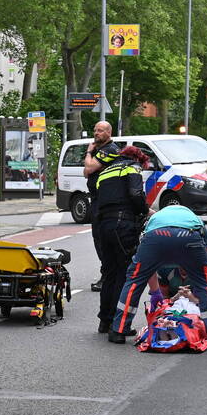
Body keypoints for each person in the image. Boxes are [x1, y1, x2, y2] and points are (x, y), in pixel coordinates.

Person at [108, 203, 207, 346]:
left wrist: (155, 292)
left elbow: (145, 265)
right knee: (205, 284)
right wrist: (205, 272)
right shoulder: (193, 217)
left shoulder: (156, 217)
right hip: (188, 236)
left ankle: (119, 331)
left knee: (134, 280)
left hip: (156, 237)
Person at [93, 145, 149, 335]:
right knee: (124, 274)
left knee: (109, 274)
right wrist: (143, 210)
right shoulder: (132, 167)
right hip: (123, 224)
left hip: (104, 226)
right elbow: (135, 193)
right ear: (138, 159)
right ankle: (119, 324)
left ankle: (104, 321)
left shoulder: (104, 172)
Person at [84, 121, 121, 292]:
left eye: (100, 130)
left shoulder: (110, 149)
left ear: (109, 132)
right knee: (98, 238)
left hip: (104, 200)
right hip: (97, 199)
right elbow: (86, 171)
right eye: (95, 130)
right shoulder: (100, 150)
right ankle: (109, 273)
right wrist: (91, 158)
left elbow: (89, 168)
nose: (96, 133)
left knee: (102, 239)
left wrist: (89, 152)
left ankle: (108, 275)